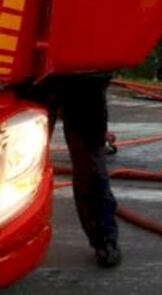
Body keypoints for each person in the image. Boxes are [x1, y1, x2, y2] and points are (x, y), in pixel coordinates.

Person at [24, 73, 120, 268]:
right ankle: (105, 242)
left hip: (36, 76)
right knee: (90, 158)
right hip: (85, 75)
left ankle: (13, 237)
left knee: (22, 158)